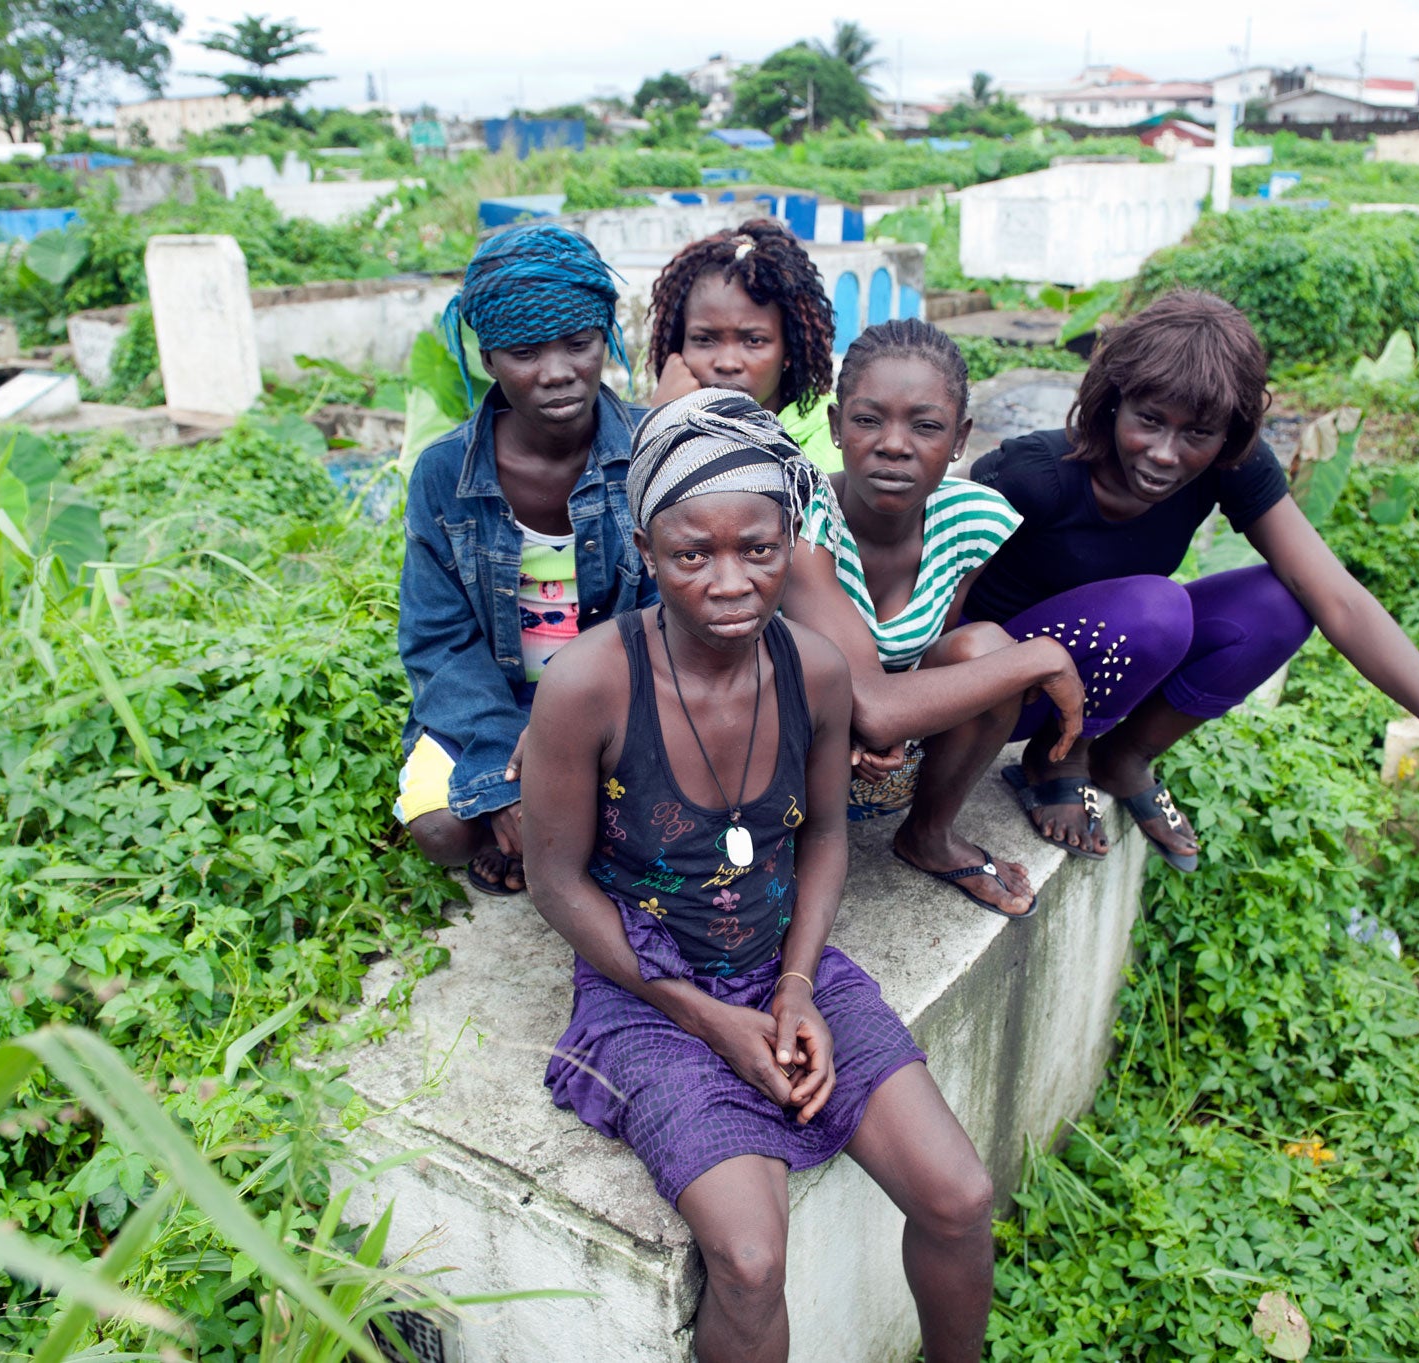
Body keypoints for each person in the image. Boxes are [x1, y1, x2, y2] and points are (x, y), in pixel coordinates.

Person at [523, 391, 995, 1363]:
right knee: (744, 1258)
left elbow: (823, 836)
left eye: (759, 550)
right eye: (692, 555)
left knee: (958, 1196)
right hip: (645, 987)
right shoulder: (589, 685)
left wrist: (789, 987)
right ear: (647, 551)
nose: (731, 581)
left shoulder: (813, 670)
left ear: (791, 540)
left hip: (783, 962)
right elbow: (557, 882)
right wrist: (710, 1020)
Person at [966, 289, 1419, 887]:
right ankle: (1058, 760)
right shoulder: (1032, 473)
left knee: (1282, 603)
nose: (1165, 454)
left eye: (1198, 433)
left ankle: (1120, 755)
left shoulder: (1228, 466)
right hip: (992, 694)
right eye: (1149, 420)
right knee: (1155, 609)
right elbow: (923, 596)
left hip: (1096, 670)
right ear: (1114, 400)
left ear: (1230, 434)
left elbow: (1339, 600)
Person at [778, 319, 1085, 919]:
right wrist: (1044, 655)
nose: (895, 444)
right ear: (837, 426)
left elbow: (936, 652)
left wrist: (892, 728)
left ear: (961, 437)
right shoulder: (803, 524)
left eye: (926, 426)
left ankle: (928, 835)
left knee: (985, 649)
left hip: (875, 739)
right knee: (1010, 659)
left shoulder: (970, 518)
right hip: (787, 728)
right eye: (868, 420)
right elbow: (867, 700)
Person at [395, 222, 653, 896]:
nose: (558, 371)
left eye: (580, 343)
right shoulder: (444, 474)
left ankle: (555, 825)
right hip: (495, 696)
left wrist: (565, 739)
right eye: (526, 352)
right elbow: (438, 640)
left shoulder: (654, 448)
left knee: (636, 810)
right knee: (445, 829)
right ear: (487, 357)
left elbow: (669, 616)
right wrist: (503, 773)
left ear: (607, 337)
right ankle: (533, 820)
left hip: (617, 693)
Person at [643, 219, 844, 471]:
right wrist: (661, 423)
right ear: (678, 346)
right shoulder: (656, 425)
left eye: (753, 341)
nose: (728, 363)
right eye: (704, 340)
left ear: (788, 351)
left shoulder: (834, 439)